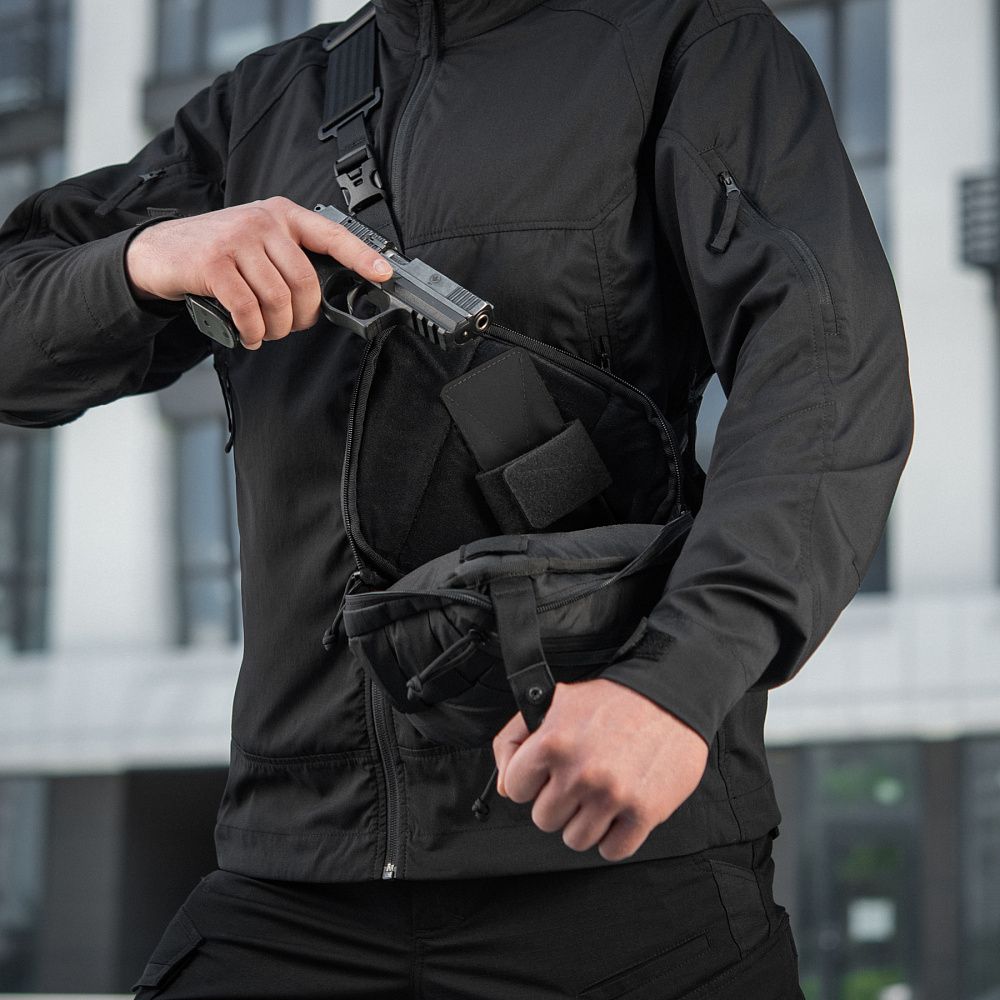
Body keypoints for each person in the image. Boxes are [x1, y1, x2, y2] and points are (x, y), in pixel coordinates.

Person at [0, 0, 913, 996]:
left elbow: (827, 373)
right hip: (296, 863)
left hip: (620, 871)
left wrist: (677, 682)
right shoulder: (264, 102)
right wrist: (139, 264)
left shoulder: (689, 40)